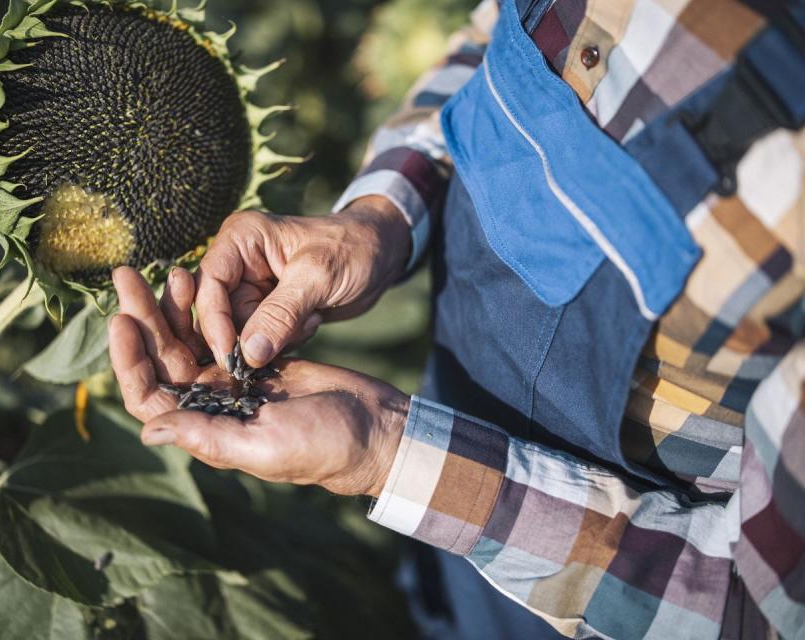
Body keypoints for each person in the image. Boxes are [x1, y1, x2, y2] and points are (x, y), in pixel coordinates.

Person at [108, 0, 805, 637]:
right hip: (432, 464)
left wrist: (388, 454)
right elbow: (496, 36)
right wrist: (379, 217)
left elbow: (758, 609)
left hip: (599, 593)